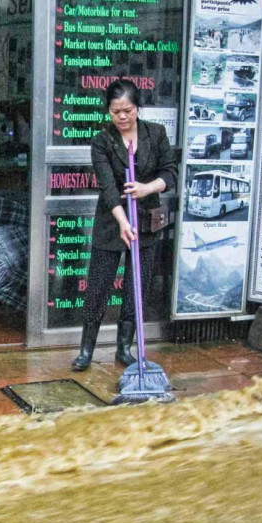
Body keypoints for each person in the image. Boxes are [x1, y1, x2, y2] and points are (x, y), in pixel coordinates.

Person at [71, 79, 177, 371]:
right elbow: (106, 187)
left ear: (137, 108)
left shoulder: (155, 134)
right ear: (108, 111)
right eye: (115, 111)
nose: (121, 117)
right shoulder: (102, 141)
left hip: (145, 220)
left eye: (127, 110)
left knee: (136, 287)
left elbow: (170, 173)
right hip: (111, 221)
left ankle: (124, 349)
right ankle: (85, 351)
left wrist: (147, 188)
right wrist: (121, 220)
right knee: (98, 287)